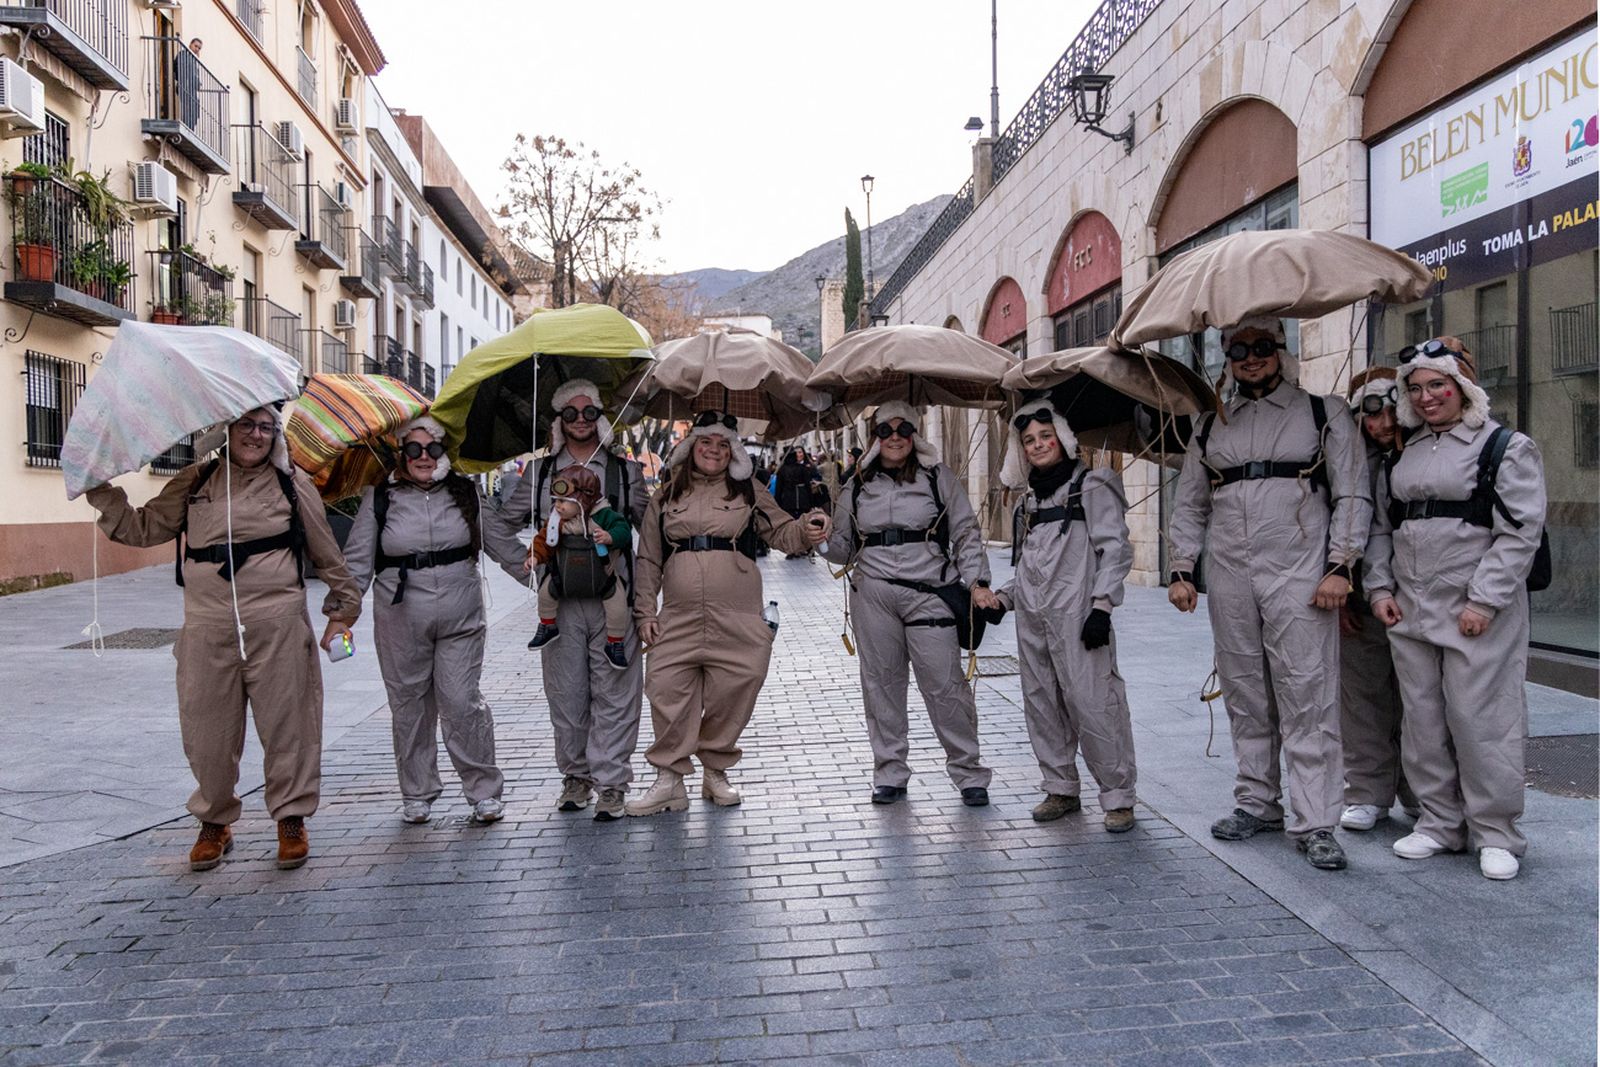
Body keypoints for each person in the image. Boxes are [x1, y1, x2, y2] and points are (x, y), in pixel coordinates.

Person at [85, 406, 361, 871]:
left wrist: (343, 612)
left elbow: (328, 553)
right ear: (227, 430)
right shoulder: (195, 481)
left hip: (277, 625)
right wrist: (99, 489)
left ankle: (291, 819)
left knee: (291, 727)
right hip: (207, 627)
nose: (256, 435)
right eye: (246, 425)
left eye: (266, 428)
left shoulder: (292, 484)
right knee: (206, 732)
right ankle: (214, 821)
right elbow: (143, 528)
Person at [1167, 316, 1370, 871]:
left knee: (1308, 692)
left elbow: (1353, 494)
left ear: (1281, 350)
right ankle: (1257, 801)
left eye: (1261, 347)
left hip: (1300, 572)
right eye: (1238, 350)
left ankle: (1316, 820)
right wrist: (1182, 568)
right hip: (1231, 572)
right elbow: (1190, 502)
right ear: (1227, 359)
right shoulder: (1210, 426)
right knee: (1244, 690)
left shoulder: (1324, 413)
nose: (1250, 358)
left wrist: (1341, 565)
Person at [1366, 338, 1546, 881]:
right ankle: (1440, 822)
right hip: (1411, 608)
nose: (1426, 397)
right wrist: (1379, 590)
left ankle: (1496, 832)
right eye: (1416, 388)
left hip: (1474, 610)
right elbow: (1383, 527)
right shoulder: (1405, 452)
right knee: (1422, 721)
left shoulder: (1505, 446)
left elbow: (1519, 533)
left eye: (1437, 385)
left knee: (1480, 719)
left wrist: (1484, 601)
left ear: (1462, 386)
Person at [626, 412, 830, 815]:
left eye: (723, 444)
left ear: (733, 451)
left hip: (737, 611)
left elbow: (781, 532)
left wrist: (806, 529)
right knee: (666, 688)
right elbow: (648, 557)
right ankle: (669, 780)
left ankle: (715, 770)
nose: (714, 451)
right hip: (679, 613)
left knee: (737, 685)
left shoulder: (749, 489)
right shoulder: (666, 494)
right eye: (706, 442)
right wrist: (645, 611)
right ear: (691, 446)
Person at [482, 379, 646, 822]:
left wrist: (646, 597)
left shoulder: (626, 473)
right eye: (570, 413)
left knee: (617, 694)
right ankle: (576, 777)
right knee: (566, 695)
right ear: (558, 420)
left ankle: (612, 783)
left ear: (600, 418)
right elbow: (498, 526)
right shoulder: (538, 474)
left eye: (589, 411)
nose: (580, 420)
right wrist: (526, 568)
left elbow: (651, 535)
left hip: (613, 599)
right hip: (560, 605)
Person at [822, 402, 1001, 806]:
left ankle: (969, 772)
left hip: (930, 591)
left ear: (915, 435)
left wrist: (978, 582)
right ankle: (890, 773)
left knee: (945, 685)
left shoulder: (938, 477)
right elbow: (842, 549)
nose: (895, 437)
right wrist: (820, 538)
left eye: (904, 429)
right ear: (875, 437)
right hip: (874, 594)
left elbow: (966, 532)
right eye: (885, 430)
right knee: (882, 686)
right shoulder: (857, 484)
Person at [338, 417, 505, 826]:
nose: (424, 457)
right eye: (414, 449)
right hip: (400, 617)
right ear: (401, 454)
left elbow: (503, 544)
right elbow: (357, 563)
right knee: (409, 705)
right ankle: (417, 792)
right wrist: (340, 616)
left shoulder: (465, 493)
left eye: (432, 448)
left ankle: (483, 791)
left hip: (461, 614)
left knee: (461, 700)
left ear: (445, 452)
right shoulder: (380, 497)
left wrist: (543, 580)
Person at [997, 401, 1138, 832]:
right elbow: (1029, 565)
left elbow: (1115, 549)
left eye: (1046, 436)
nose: (1038, 445)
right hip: (1034, 620)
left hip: (1079, 617)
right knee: (1042, 704)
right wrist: (1002, 600)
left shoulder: (1093, 486)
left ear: (1062, 438)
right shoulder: (1028, 501)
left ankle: (1118, 797)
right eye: (1029, 440)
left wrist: (1102, 607)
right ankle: (1060, 788)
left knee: (1094, 704)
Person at [1338, 368, 1419, 832]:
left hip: (1416, 598)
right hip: (1358, 601)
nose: (1384, 424)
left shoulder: (1423, 454)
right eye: (1372, 415)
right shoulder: (1344, 459)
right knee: (1362, 700)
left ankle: (1420, 792)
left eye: (1392, 412)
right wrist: (1343, 595)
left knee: (1419, 702)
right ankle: (1366, 792)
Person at [525, 464, 633, 670]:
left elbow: (624, 530)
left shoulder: (604, 515)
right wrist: (534, 556)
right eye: (556, 500)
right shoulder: (556, 521)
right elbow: (543, 540)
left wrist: (610, 537)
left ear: (583, 499)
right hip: (563, 578)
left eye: (564, 501)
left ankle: (615, 642)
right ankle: (547, 626)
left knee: (618, 603)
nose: (558, 506)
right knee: (545, 593)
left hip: (603, 577)